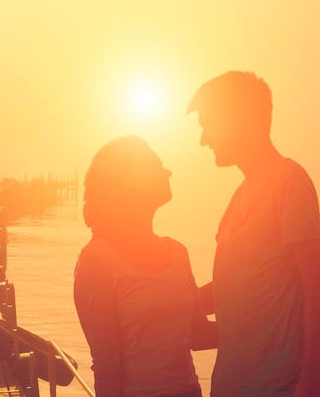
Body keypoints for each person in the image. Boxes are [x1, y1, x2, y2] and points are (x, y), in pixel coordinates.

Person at [186, 71, 320, 397]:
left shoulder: (289, 182)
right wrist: (170, 299)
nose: (204, 139)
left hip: (279, 389)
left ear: (234, 117)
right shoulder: (237, 200)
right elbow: (239, 286)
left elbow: (316, 288)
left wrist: (311, 384)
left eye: (207, 123)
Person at [73, 136, 217, 397]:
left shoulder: (177, 252)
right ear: (127, 180)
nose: (167, 171)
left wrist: (262, 312)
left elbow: (199, 335)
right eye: (155, 165)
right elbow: (107, 365)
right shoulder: (97, 261)